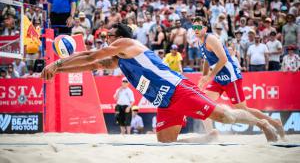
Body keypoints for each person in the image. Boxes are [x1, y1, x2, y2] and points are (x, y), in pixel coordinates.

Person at [42, 22, 278, 143]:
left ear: (119, 36)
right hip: (164, 101)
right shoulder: (120, 60)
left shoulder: (126, 45)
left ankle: (262, 124)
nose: (106, 39)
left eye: (108, 36)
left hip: (178, 89)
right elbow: (91, 64)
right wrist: (60, 69)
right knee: (165, 143)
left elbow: (92, 56)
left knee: (225, 115)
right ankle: (209, 138)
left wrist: (58, 64)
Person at [191, 17, 284, 140]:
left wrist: (209, 76)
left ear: (205, 28)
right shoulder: (199, 42)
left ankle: (275, 123)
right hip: (219, 78)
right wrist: (204, 75)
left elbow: (224, 59)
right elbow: (206, 60)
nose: (196, 30)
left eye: (198, 27)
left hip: (231, 77)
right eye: (194, 27)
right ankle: (211, 134)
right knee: (203, 103)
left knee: (243, 109)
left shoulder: (211, 39)